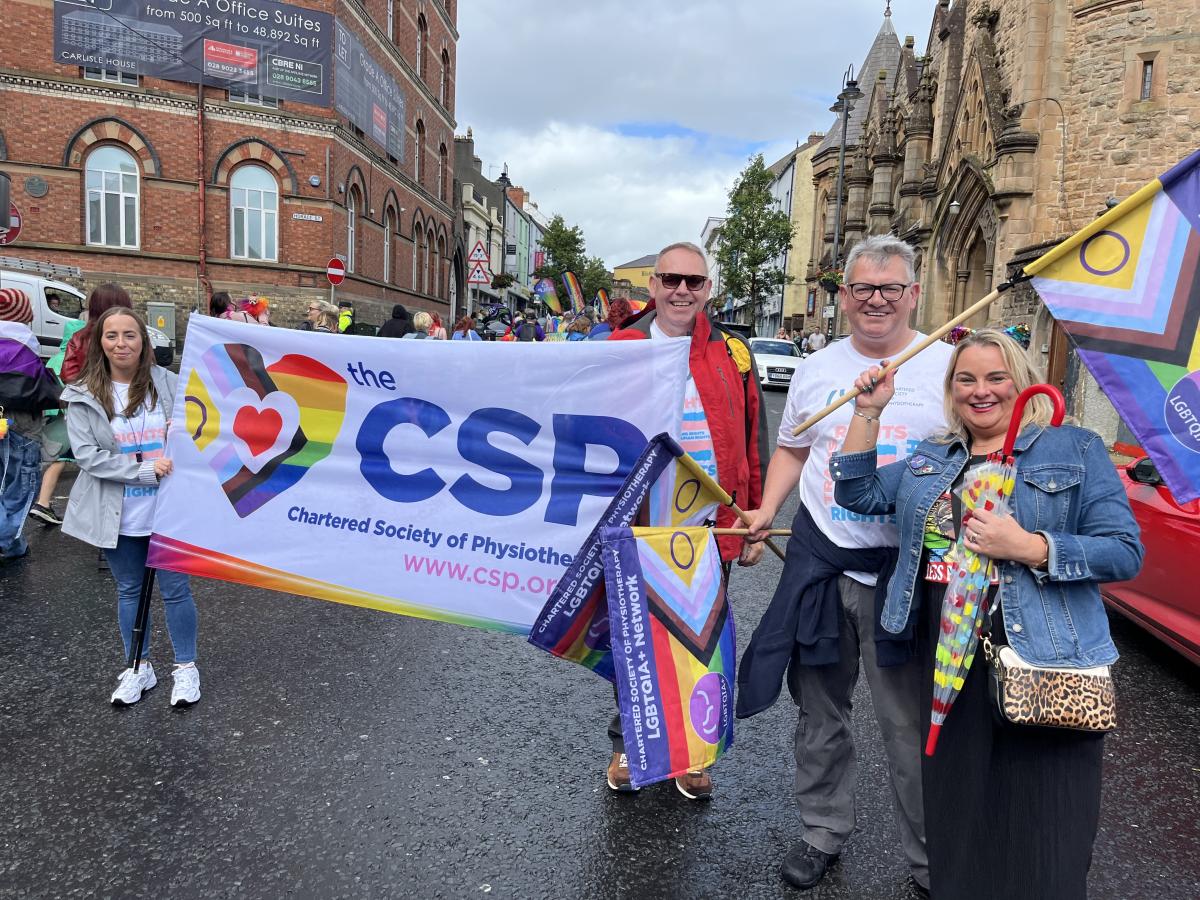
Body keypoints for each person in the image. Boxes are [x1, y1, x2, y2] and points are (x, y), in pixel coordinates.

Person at [831, 327, 1143, 900]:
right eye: (966, 379)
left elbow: (1123, 550)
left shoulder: (1072, 449)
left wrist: (1028, 545)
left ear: (1020, 382)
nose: (981, 392)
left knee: (1045, 813)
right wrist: (867, 412)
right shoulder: (933, 458)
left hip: (1044, 651)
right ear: (951, 391)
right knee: (959, 806)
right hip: (947, 651)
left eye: (996, 378)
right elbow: (857, 494)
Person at [742, 235, 953, 895]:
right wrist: (763, 508)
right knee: (819, 712)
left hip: (909, 577)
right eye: (863, 287)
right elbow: (792, 451)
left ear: (914, 294)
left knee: (909, 724)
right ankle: (822, 832)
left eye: (891, 288)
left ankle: (929, 859)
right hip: (820, 564)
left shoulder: (947, 365)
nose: (877, 300)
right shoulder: (816, 368)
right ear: (845, 295)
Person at [607, 240, 769, 800]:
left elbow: (752, 437)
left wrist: (752, 517)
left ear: (708, 290)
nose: (682, 290)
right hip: (637, 521)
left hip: (710, 524)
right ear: (651, 286)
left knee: (702, 640)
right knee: (634, 639)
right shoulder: (620, 347)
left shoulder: (733, 352)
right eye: (671, 279)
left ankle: (692, 754)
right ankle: (630, 741)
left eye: (694, 282)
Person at [60, 306, 201, 708]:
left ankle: (186, 668)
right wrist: (143, 471)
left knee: (176, 591)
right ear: (99, 343)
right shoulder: (83, 394)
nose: (121, 343)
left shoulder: (172, 385)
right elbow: (87, 456)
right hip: (117, 513)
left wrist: (187, 430)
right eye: (111, 336)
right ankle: (138, 666)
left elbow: (203, 431)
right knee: (129, 590)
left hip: (171, 510)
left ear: (144, 341)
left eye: (129, 335)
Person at [0, 288, 62, 561]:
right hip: (21, 422)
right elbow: (39, 387)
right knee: (21, 481)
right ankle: (8, 540)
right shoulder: (25, 342)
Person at [28, 317, 86, 526]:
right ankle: (44, 504)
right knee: (73, 459)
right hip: (69, 417)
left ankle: (44, 504)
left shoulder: (53, 359)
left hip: (52, 416)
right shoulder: (79, 357)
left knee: (59, 459)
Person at [61, 283, 134, 384]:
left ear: (93, 307)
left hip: (88, 395)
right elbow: (148, 369)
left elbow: (68, 376)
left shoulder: (80, 338)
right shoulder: (137, 338)